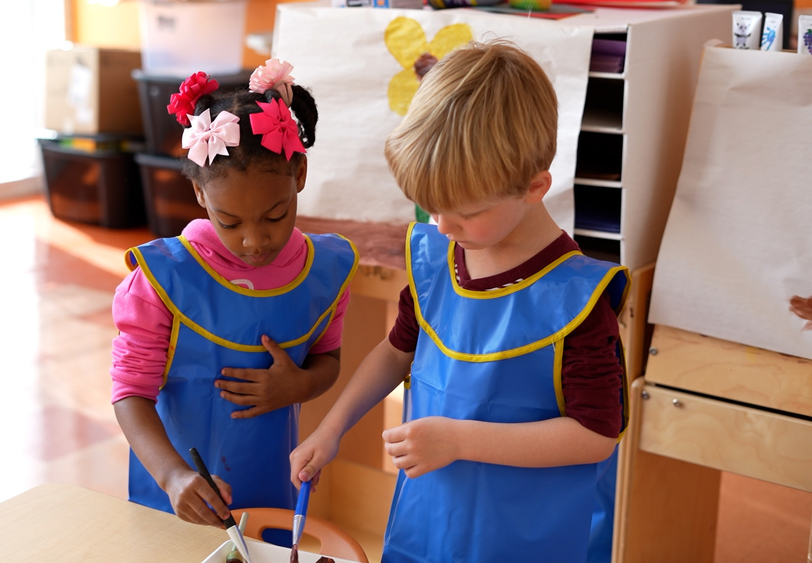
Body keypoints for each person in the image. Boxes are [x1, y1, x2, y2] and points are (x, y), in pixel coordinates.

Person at [289, 40, 630, 562]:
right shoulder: (441, 257)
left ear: (536, 187)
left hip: (523, 540)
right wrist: (332, 427)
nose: (444, 227)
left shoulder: (578, 303)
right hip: (429, 526)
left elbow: (595, 437)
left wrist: (459, 441)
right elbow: (396, 350)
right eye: (430, 209)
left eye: (465, 212)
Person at [111, 59, 358, 529]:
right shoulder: (163, 278)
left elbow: (328, 359)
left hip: (270, 484)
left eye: (275, 215)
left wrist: (300, 386)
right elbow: (129, 393)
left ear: (299, 175)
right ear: (200, 194)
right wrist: (172, 476)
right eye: (230, 222)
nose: (254, 241)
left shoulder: (324, 271)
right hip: (178, 493)